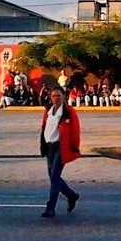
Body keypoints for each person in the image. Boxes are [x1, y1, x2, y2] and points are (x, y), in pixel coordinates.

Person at [39, 87, 81, 218]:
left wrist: (74, 146)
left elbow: (75, 130)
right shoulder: (48, 111)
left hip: (61, 147)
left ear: (64, 96)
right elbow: (44, 127)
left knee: (55, 176)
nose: (56, 98)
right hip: (49, 147)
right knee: (53, 177)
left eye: (58, 95)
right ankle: (72, 195)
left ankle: (50, 208)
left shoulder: (68, 112)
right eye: (53, 96)